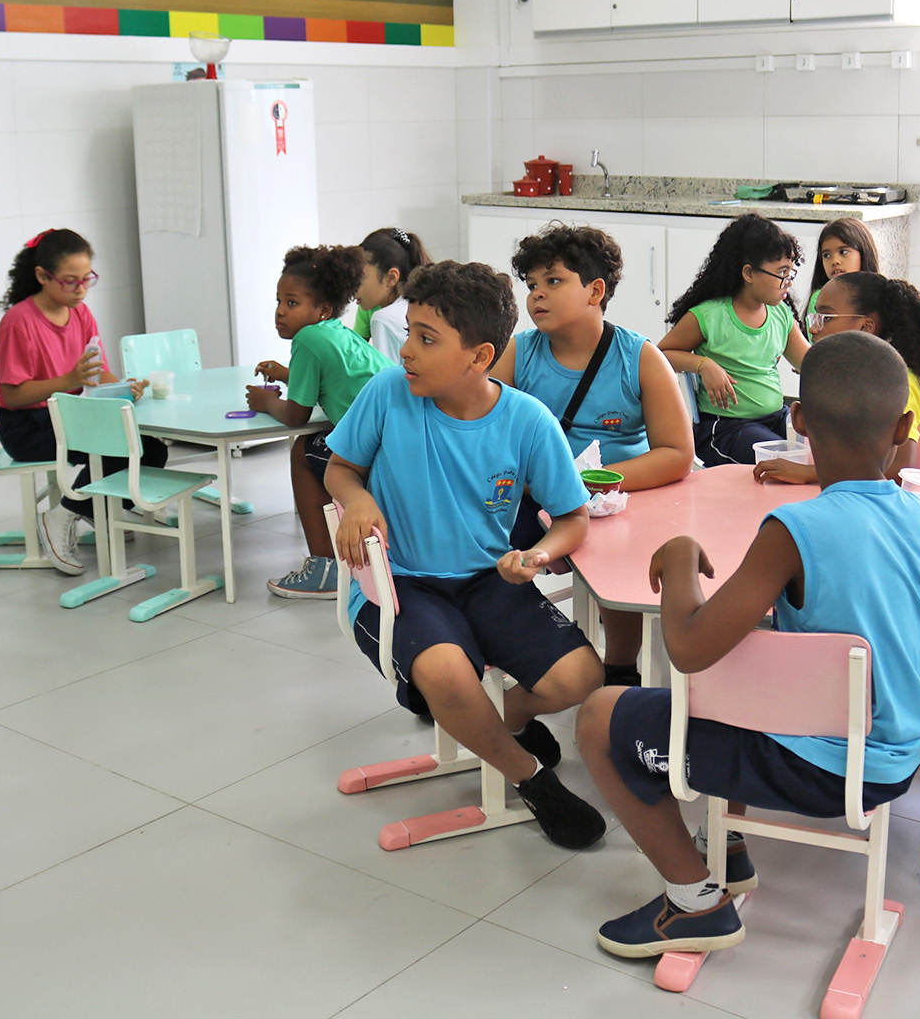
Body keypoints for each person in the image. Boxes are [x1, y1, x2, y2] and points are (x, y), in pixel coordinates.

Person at [577, 332, 920, 957]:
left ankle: (695, 902)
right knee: (750, 660)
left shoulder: (793, 529)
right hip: (900, 759)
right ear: (903, 427)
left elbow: (688, 648)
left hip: (817, 769)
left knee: (600, 717)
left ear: (798, 420)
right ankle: (725, 845)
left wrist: (678, 563)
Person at [326, 261, 607, 850]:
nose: (407, 350)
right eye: (410, 332)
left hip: (487, 579)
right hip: (401, 582)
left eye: (427, 339)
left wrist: (537, 556)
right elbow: (340, 468)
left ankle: (494, 721)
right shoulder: (387, 393)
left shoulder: (527, 420)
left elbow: (574, 517)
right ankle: (531, 778)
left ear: (479, 356)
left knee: (582, 676)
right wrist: (356, 499)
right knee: (446, 674)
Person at [495, 223, 694, 687]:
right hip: (535, 495)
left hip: (620, 496)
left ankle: (620, 665)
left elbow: (676, 454)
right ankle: (509, 655)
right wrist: (543, 485)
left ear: (595, 291)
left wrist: (590, 482)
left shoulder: (640, 357)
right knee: (491, 553)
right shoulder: (518, 353)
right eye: (532, 284)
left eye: (553, 281)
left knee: (616, 552)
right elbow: (488, 437)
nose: (537, 295)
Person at [0, 228, 160, 576]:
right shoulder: (18, 322)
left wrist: (126, 387)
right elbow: (13, 395)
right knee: (118, 448)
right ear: (43, 276)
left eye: (87, 279)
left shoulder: (81, 313)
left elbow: (97, 373)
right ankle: (62, 515)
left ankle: (92, 506)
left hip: (68, 416)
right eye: (71, 281)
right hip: (24, 426)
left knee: (151, 449)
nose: (81, 289)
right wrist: (69, 381)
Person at [250, 245, 393, 600]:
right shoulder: (335, 331)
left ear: (323, 309)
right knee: (323, 441)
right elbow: (335, 378)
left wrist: (267, 402)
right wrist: (288, 374)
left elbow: (295, 416)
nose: (280, 311)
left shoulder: (308, 339)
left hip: (379, 451)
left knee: (303, 449)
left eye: (292, 302)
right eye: (279, 301)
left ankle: (324, 567)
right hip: (395, 440)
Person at [755, 271, 920, 482]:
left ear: (865, 327)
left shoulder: (896, 382)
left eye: (826, 318)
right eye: (814, 317)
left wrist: (808, 473)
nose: (813, 329)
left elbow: (899, 471)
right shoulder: (864, 376)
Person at [658, 214, 809, 466]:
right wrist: (703, 365)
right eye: (781, 273)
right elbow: (660, 355)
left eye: (790, 273)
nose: (788, 283)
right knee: (785, 463)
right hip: (726, 429)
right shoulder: (710, 315)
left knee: (820, 451)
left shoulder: (780, 314)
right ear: (749, 273)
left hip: (775, 420)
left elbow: (811, 363)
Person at [353, 227, 431, 362]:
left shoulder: (383, 319)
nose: (353, 286)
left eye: (360, 277)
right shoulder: (420, 305)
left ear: (391, 278)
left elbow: (387, 373)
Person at [803, 216, 880, 303]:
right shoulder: (821, 298)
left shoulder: (880, 295)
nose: (834, 261)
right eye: (827, 255)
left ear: (863, 253)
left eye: (843, 252)